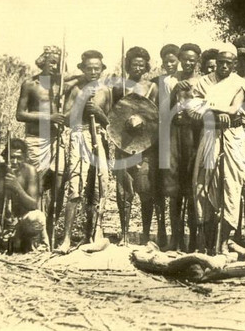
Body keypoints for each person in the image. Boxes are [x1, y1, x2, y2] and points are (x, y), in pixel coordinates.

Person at [189, 44, 245, 254]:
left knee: (231, 186)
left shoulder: (239, 84)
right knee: (205, 186)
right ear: (216, 62)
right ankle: (208, 242)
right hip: (210, 135)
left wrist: (210, 106)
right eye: (221, 62)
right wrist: (216, 112)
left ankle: (224, 241)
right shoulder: (203, 82)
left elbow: (235, 109)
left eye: (229, 63)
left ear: (234, 64)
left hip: (233, 137)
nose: (224, 66)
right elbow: (192, 109)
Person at [57, 50, 112, 253]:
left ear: (102, 69)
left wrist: (98, 113)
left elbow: (110, 121)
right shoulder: (75, 89)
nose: (93, 72)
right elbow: (66, 119)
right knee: (75, 186)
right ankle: (66, 239)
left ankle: (95, 232)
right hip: (79, 135)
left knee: (101, 184)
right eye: (89, 68)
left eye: (97, 68)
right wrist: (81, 103)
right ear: (82, 69)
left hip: (99, 137)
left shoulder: (106, 90)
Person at [15, 45, 67, 239]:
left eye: (59, 63)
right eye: (51, 62)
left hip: (57, 140)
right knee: (35, 184)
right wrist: (49, 117)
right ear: (42, 61)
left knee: (59, 182)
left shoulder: (61, 85)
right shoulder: (30, 84)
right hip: (36, 140)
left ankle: (51, 228)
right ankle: (32, 230)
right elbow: (20, 114)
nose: (55, 66)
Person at [113, 46, 163, 246]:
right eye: (134, 64)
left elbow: (156, 115)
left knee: (145, 189)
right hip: (123, 142)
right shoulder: (119, 87)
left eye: (141, 64)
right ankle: (124, 233)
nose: (137, 67)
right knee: (124, 189)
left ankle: (144, 233)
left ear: (146, 66)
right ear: (128, 65)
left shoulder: (153, 87)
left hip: (146, 144)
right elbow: (114, 115)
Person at [160, 43, 201, 251]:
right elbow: (162, 111)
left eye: (192, 59)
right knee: (174, 187)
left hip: (195, 135)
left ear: (198, 60)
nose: (188, 62)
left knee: (193, 185)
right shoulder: (169, 80)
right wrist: (175, 90)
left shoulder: (203, 82)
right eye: (185, 58)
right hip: (174, 134)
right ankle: (175, 237)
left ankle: (193, 239)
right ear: (179, 59)